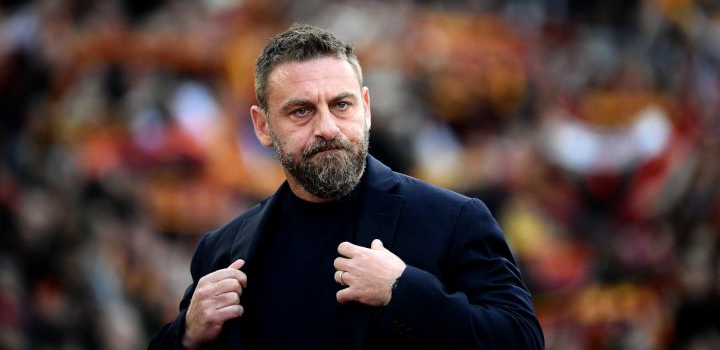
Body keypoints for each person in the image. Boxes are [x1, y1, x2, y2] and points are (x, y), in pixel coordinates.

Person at [149, 23, 544, 349]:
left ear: (366, 109)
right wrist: (185, 335)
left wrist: (402, 291)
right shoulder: (222, 250)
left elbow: (523, 340)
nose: (326, 128)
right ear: (262, 126)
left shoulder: (454, 219)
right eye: (301, 111)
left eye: (341, 105)